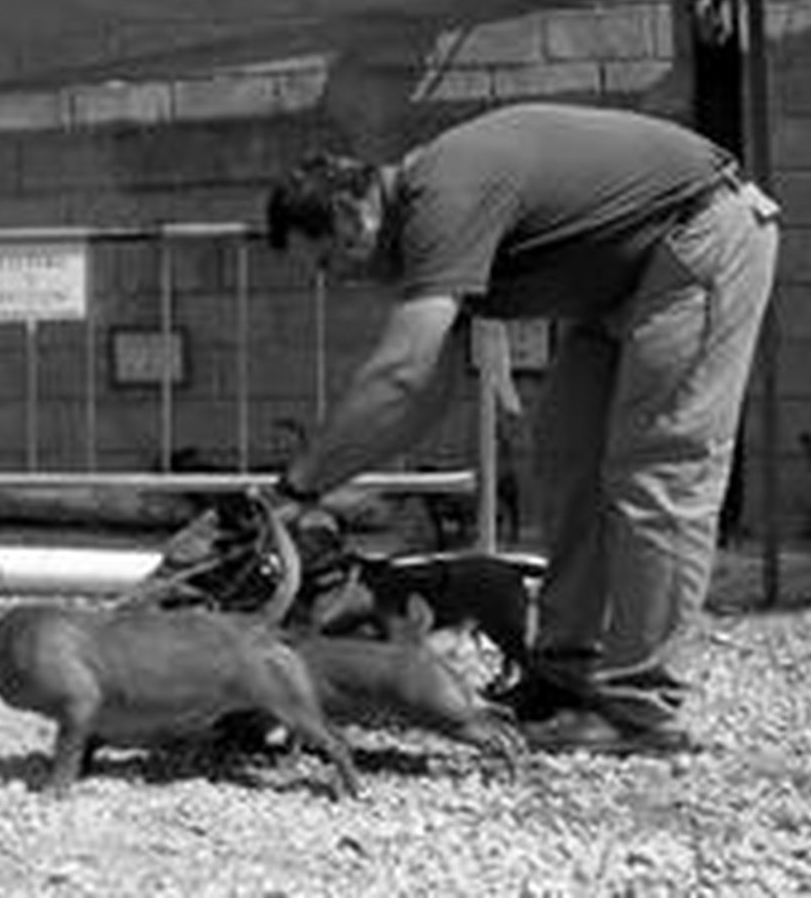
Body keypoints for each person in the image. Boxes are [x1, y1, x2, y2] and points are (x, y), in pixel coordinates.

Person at [265, 102, 779, 755]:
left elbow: (400, 373)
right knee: (566, 461)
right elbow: (424, 398)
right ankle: (562, 675)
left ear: (349, 216)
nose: (333, 281)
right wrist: (318, 485)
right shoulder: (427, 224)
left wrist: (299, 484)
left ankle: (641, 709)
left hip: (699, 236)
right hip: (620, 283)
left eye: (326, 262)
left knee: (658, 473)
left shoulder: (441, 196)